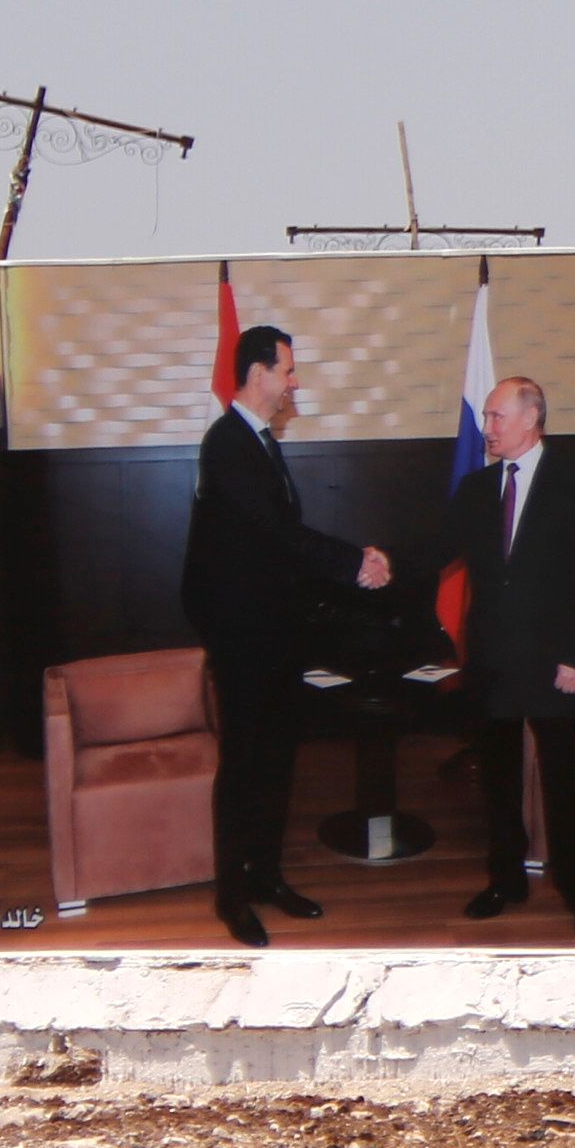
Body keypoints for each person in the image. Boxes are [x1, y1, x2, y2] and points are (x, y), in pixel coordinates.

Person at [180, 326, 389, 947]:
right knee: (244, 765)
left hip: (277, 634)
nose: (295, 382)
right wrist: (355, 562)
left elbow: (280, 542)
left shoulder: (261, 442)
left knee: (276, 761)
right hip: (242, 638)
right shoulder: (227, 443)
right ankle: (232, 896)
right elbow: (274, 533)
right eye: (289, 370)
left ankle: (267, 876)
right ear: (257, 374)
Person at [442, 372, 575, 945]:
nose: (485, 427)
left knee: (562, 782)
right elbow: (432, 549)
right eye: (487, 417)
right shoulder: (475, 490)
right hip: (492, 661)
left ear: (531, 418)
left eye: (495, 417)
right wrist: (373, 561)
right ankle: (506, 880)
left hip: (553, 664)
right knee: (498, 781)